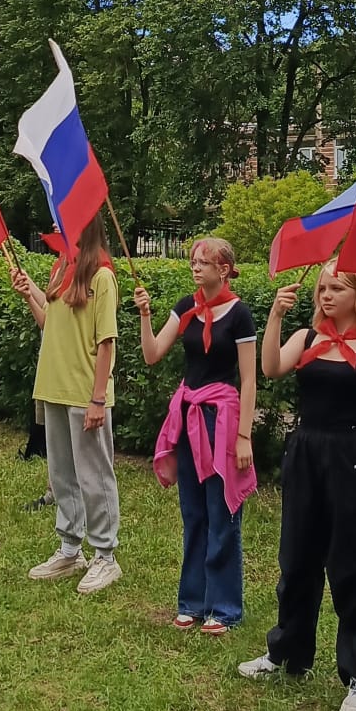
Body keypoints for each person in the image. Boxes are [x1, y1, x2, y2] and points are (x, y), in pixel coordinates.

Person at [237, 259, 356, 711]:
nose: (325, 295)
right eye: (322, 288)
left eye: (337, 288)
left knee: (355, 566)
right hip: (306, 453)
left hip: (352, 457)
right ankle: (287, 654)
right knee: (297, 558)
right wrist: (275, 317)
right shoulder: (307, 338)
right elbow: (271, 368)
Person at [138, 237, 257, 635]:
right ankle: (192, 601)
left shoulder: (240, 315)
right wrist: (145, 315)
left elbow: (248, 378)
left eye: (202, 262)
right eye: (192, 261)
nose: (195, 267)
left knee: (222, 512)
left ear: (223, 269)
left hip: (220, 420)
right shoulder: (186, 308)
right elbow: (153, 353)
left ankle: (223, 609)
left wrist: (244, 437)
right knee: (193, 512)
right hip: (189, 417)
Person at [10, 214, 122, 595]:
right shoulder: (61, 269)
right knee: (62, 476)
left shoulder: (102, 276)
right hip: (54, 388)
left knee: (94, 476)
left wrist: (96, 399)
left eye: (67, 222)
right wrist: (30, 294)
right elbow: (49, 324)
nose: (60, 228)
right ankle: (71, 549)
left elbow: (106, 342)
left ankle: (105, 556)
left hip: (84, 393)